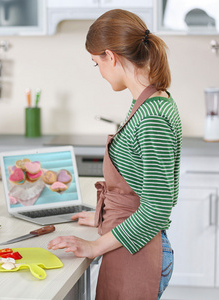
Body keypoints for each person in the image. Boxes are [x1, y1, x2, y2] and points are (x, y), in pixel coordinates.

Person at [47, 9, 182, 300]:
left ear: (111, 56)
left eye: (97, 63)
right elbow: (138, 187)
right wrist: (101, 215)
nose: (100, 71)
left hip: (140, 252)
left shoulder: (152, 116)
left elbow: (158, 207)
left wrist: (94, 247)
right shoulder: (146, 102)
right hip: (128, 244)